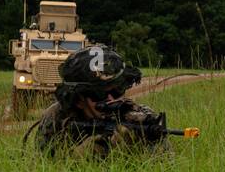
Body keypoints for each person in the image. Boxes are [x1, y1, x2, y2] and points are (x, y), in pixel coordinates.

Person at [33, 45, 166, 157]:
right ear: (79, 100)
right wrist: (80, 156)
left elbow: (164, 165)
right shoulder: (57, 116)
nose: (111, 99)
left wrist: (133, 151)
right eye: (99, 94)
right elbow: (42, 165)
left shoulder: (141, 120)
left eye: (117, 91)